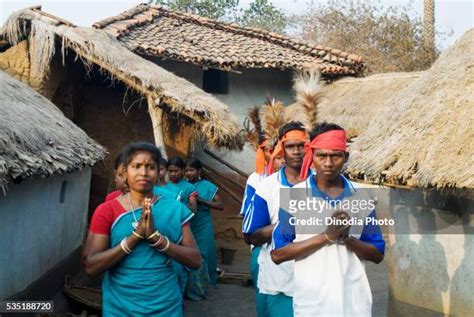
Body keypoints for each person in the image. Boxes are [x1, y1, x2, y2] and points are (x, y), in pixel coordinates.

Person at [271, 123, 385, 317]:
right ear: (311, 156)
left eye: (336, 155)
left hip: (355, 304)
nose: (328, 163)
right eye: (321, 155)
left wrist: (347, 238)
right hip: (312, 305)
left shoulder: (362, 197)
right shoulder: (294, 197)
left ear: (346, 157)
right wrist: (326, 236)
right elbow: (278, 255)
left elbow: (377, 255)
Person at [82, 142, 201, 316]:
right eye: (136, 166)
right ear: (125, 172)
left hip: (165, 304)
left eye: (150, 167)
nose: (143, 173)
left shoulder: (175, 209)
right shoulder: (107, 210)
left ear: (159, 172)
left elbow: (195, 260)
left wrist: (157, 239)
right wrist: (134, 238)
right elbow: (91, 267)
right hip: (121, 305)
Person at [243, 121, 309, 317]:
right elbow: (251, 236)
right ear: (282, 149)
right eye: (291, 146)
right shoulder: (267, 187)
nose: (297, 151)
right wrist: (285, 224)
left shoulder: (322, 185)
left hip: (314, 277)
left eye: (301, 146)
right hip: (278, 277)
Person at [184, 157, 223, 299]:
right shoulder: (183, 186)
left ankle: (199, 290)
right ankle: (188, 290)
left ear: (199, 171)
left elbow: (220, 205)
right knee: (187, 255)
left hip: (203, 224)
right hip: (188, 225)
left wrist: (200, 200)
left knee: (203, 256)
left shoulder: (207, 186)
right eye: (186, 170)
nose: (188, 173)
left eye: (191, 170)